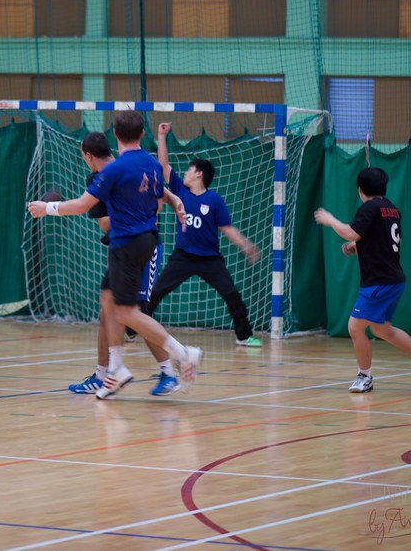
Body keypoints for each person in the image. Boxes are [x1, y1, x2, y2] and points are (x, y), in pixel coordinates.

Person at [28, 110, 203, 400]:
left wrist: (46, 209)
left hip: (129, 243)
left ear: (116, 136)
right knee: (108, 301)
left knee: (128, 312)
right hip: (145, 239)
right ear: (140, 134)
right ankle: (115, 369)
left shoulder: (114, 170)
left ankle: (183, 355)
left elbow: (83, 205)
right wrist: (176, 203)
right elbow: (160, 195)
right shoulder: (150, 162)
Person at [67, 131, 181, 397]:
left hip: (141, 247)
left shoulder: (124, 170)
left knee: (135, 315)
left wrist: (172, 200)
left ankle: (170, 369)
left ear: (87, 155)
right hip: (122, 250)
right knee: (108, 310)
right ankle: (102, 374)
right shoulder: (103, 177)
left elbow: (154, 202)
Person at [313, 167, 411, 393]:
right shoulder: (392, 209)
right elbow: (379, 241)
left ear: (360, 190)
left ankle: (365, 377)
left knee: (354, 327)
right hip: (394, 279)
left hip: (379, 281)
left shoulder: (369, 207)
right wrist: (358, 246)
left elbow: (351, 232)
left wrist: (331, 220)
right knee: (381, 329)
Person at [144, 122, 263, 346]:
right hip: (183, 256)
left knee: (231, 294)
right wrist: (161, 136)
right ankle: (133, 328)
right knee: (157, 291)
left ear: (199, 174)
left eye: (189, 170)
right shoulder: (180, 190)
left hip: (210, 259)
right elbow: (163, 166)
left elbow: (227, 229)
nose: (186, 173)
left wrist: (246, 245)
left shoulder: (215, 200)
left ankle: (245, 336)